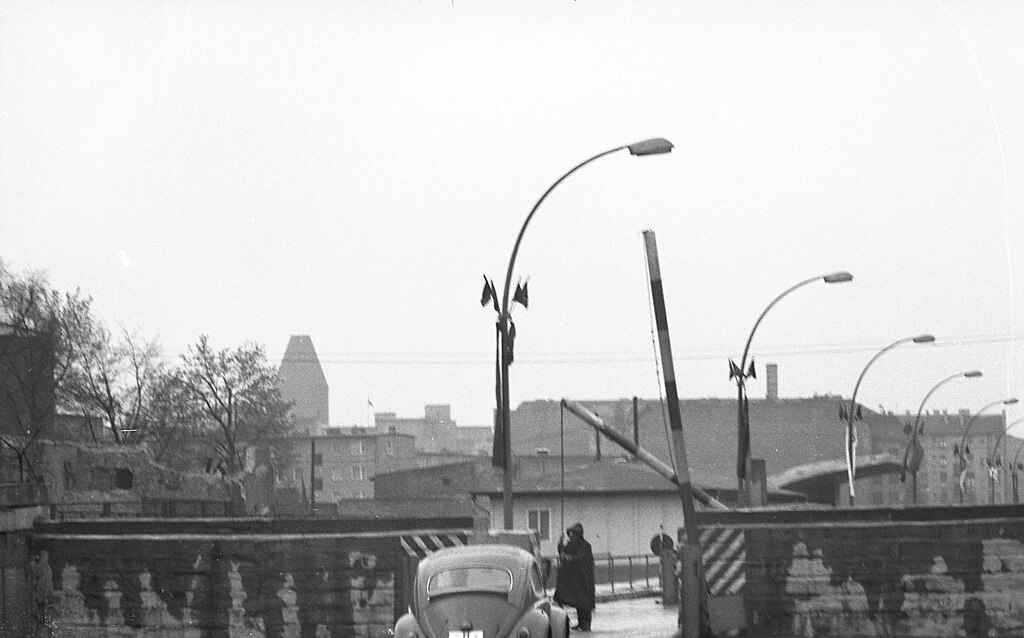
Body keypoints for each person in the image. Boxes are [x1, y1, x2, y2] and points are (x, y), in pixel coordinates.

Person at [554, 522, 596, 631]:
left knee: (584, 603)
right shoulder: (570, 545)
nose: (571, 537)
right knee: (566, 598)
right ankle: (572, 622)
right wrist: (561, 545)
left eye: (573, 534)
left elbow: (581, 558)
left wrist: (570, 558)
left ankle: (585, 623)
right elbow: (563, 554)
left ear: (578, 535)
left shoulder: (585, 546)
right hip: (573, 579)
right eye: (569, 534)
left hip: (583, 579)